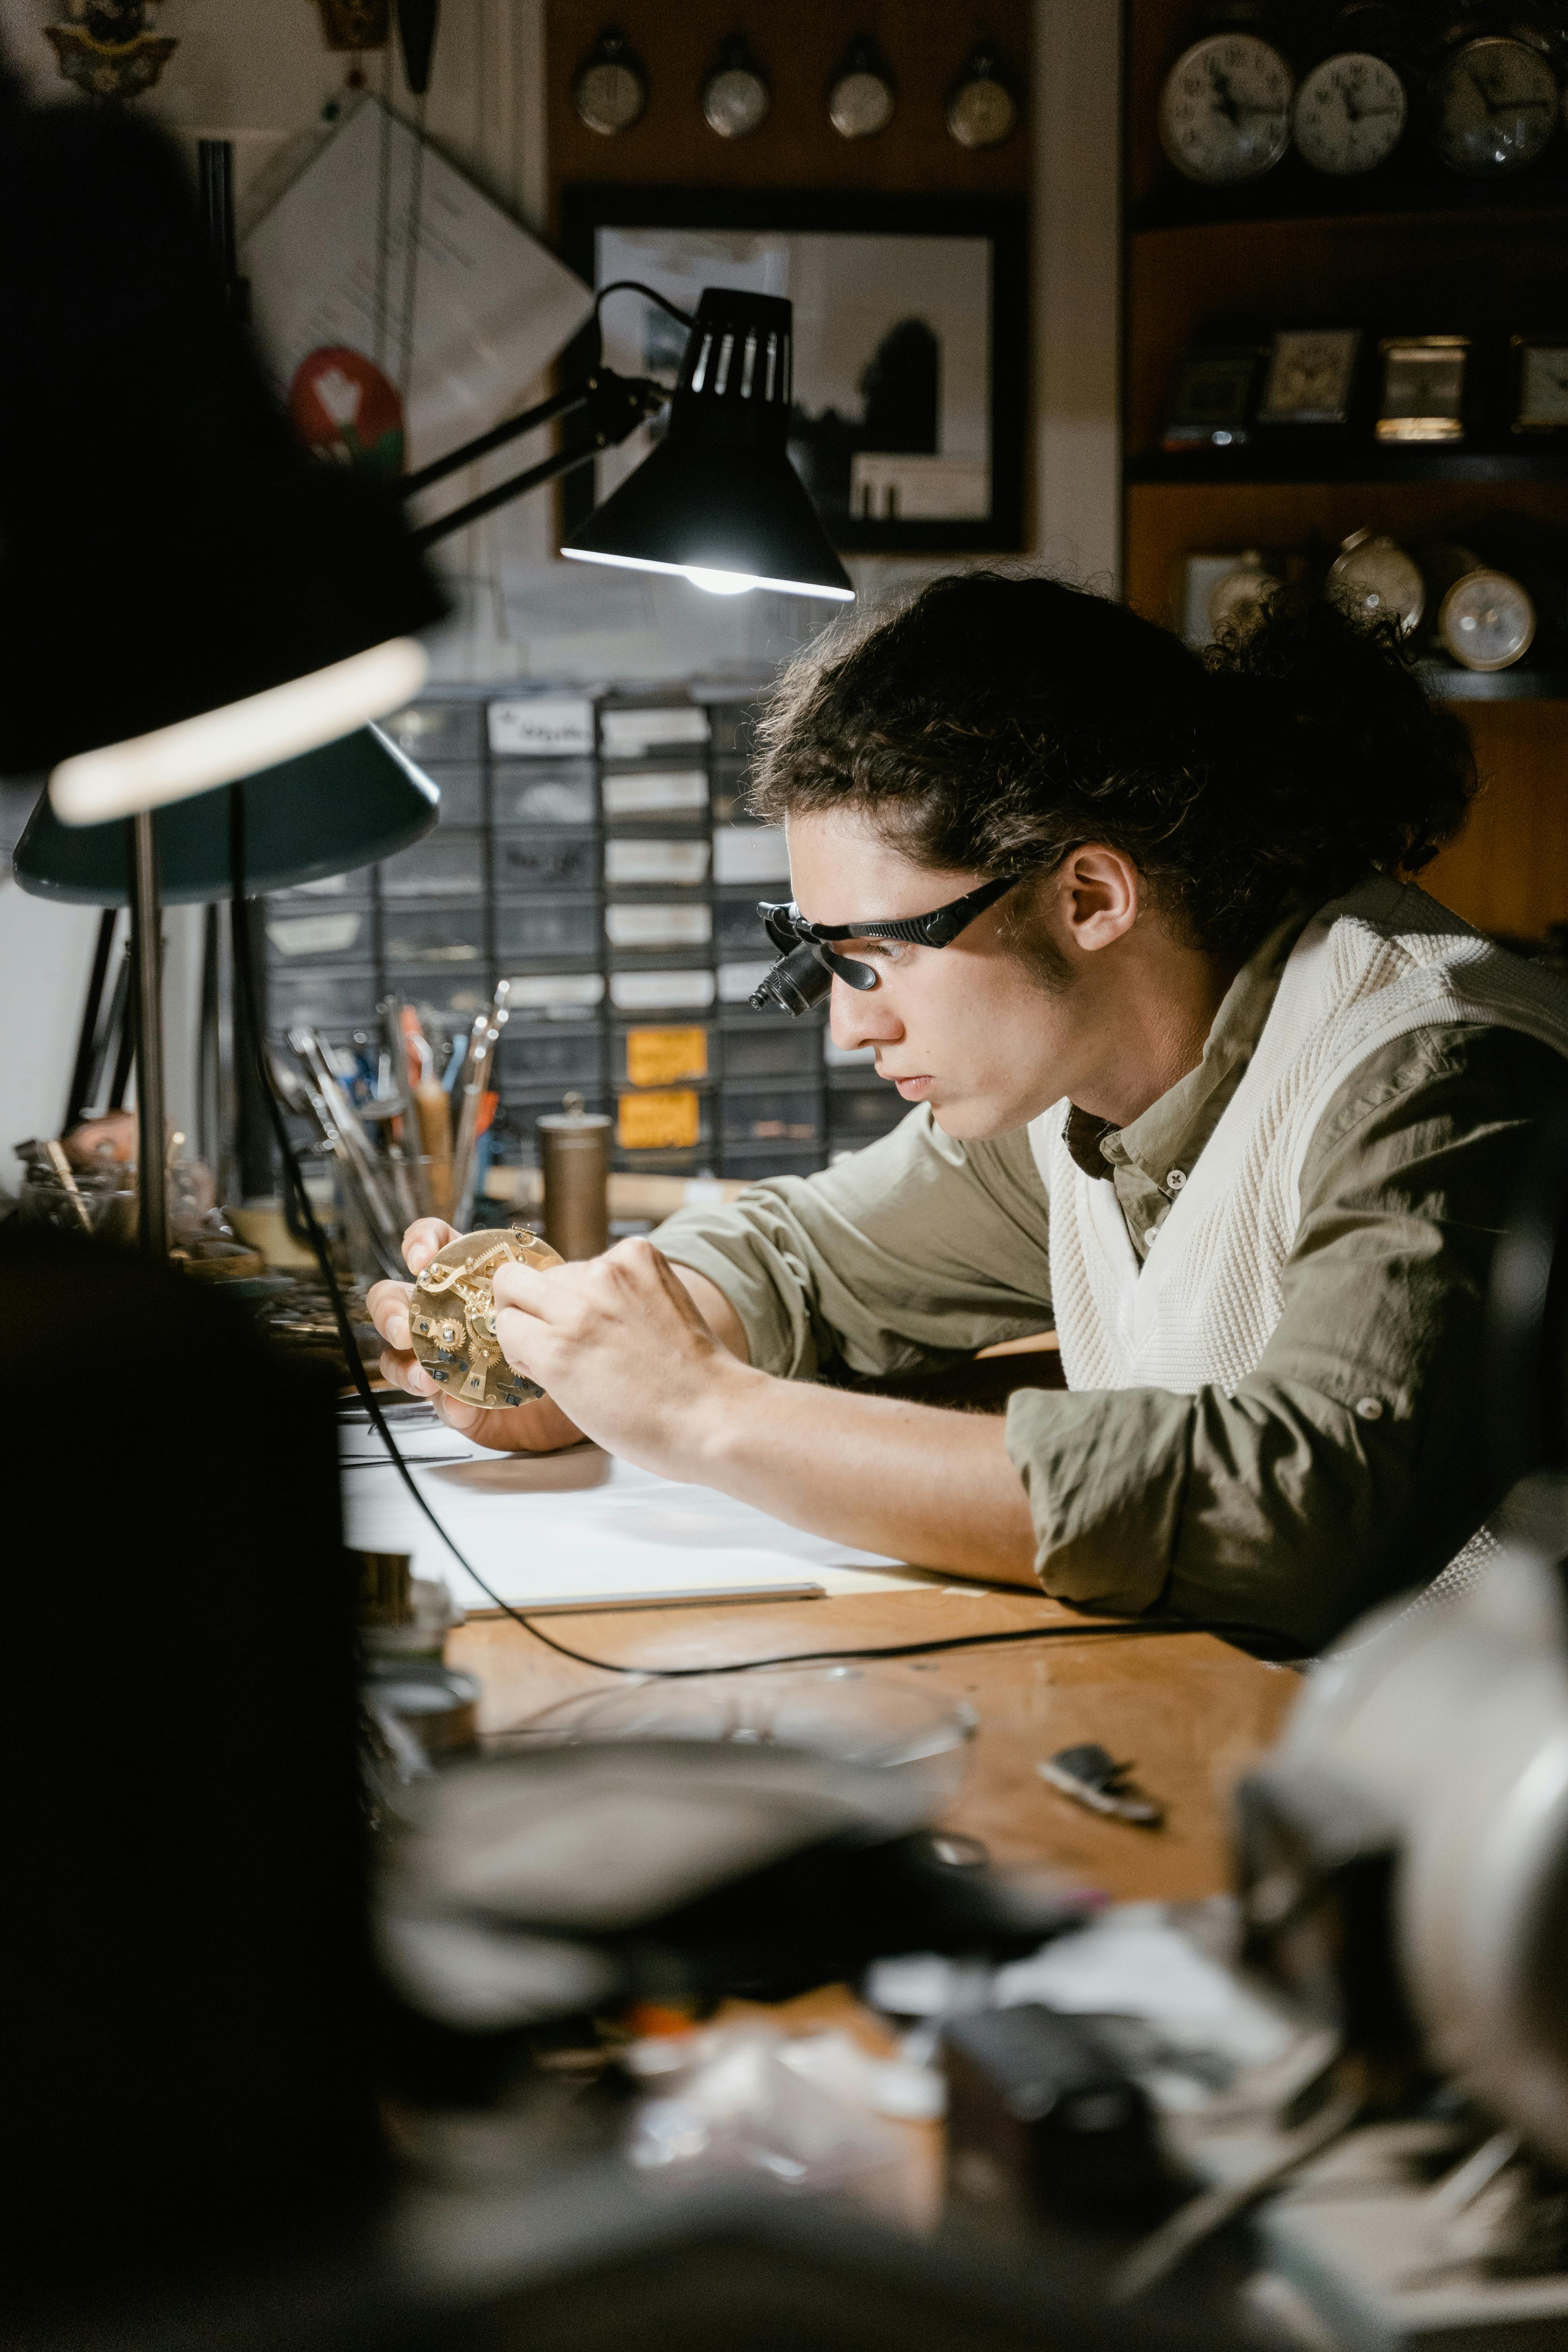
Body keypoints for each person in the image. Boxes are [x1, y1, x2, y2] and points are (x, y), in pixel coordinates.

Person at [369, 574, 1568, 1653]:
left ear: (1090, 894)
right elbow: (803, 1256)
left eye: (880, 955)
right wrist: (563, 1354)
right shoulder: (1078, 1097)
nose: (850, 1027)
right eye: (826, 958)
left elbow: (1295, 1508)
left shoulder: (1437, 1069)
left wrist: (697, 1407)